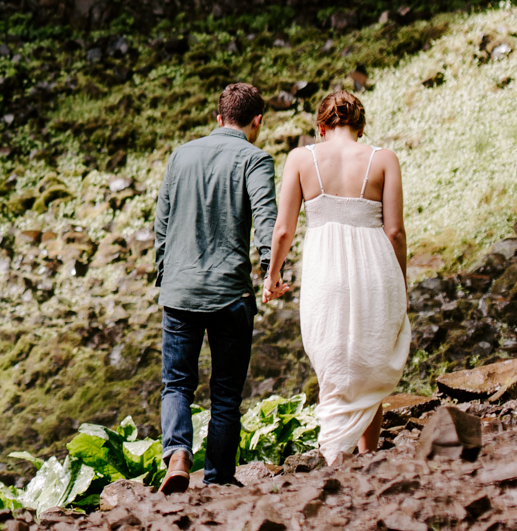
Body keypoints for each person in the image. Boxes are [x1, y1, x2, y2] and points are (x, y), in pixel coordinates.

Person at [263, 88, 411, 463]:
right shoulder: (384, 159)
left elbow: (283, 230)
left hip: (324, 269)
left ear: (321, 126)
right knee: (369, 358)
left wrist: (272, 275)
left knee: (334, 359)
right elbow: (395, 232)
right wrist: (401, 284)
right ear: (359, 126)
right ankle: (368, 454)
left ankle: (334, 454)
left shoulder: (300, 158)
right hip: (375, 267)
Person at [153, 82, 278, 493]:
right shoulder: (255, 159)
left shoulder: (180, 155)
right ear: (256, 121)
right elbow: (266, 219)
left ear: (217, 116)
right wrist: (270, 271)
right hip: (230, 295)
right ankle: (220, 478)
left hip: (181, 293)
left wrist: (164, 276)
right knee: (225, 394)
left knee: (176, 384)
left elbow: (163, 225)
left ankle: (177, 454)